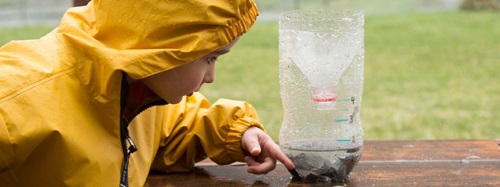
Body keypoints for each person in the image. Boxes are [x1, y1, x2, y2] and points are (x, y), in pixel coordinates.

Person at [0, 0, 295, 186]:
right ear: (165, 47)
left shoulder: (137, 91)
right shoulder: (17, 98)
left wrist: (234, 133)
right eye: (210, 58)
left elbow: (175, 128)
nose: (211, 77)